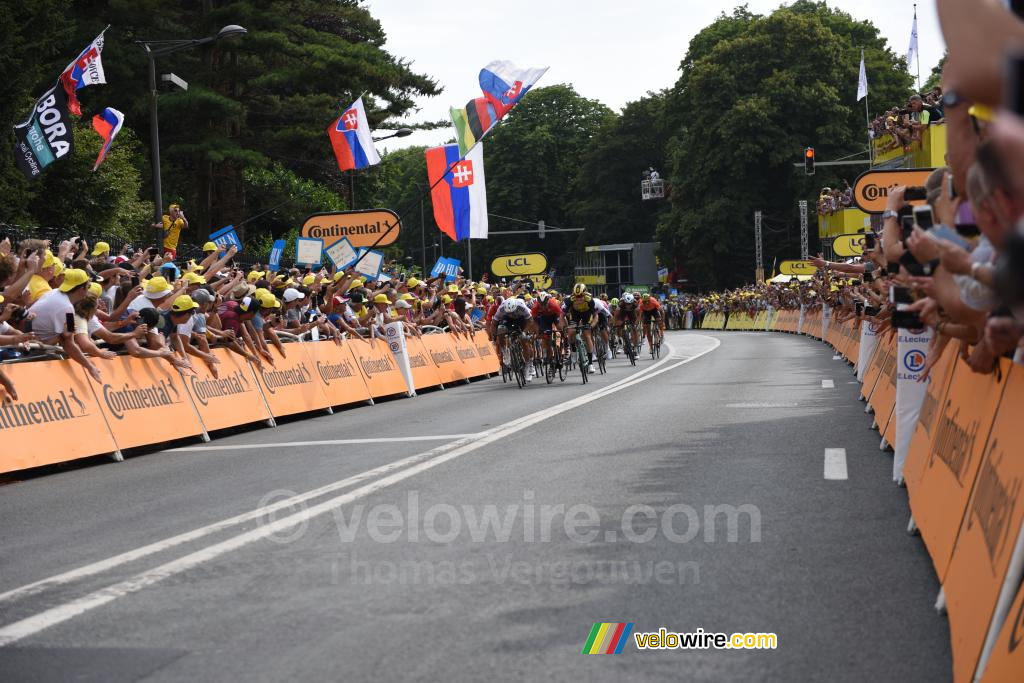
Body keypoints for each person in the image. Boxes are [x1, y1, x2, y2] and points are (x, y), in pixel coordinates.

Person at [26, 268, 103, 382]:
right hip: (35, 350)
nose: (89, 290)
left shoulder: (55, 291)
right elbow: (69, 343)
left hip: (31, 338)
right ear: (82, 289)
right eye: (88, 286)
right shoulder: (67, 308)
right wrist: (90, 367)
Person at [490, 296, 536, 381]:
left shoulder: (522, 307)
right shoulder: (501, 308)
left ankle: (528, 365)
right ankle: (505, 352)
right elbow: (494, 323)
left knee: (524, 341)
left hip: (521, 319)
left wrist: (524, 332)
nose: (511, 314)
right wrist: (494, 337)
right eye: (509, 313)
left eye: (512, 312)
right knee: (500, 331)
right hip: (507, 319)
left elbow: (530, 321)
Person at [564, 283, 598, 371]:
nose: (578, 299)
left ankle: (590, 363)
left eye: (581, 296)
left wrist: (592, 325)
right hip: (575, 315)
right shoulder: (569, 300)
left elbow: (595, 315)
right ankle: (573, 351)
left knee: (587, 335)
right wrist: (564, 326)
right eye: (576, 296)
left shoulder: (589, 300)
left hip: (587, 315)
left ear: (585, 294)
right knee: (571, 332)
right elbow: (561, 315)